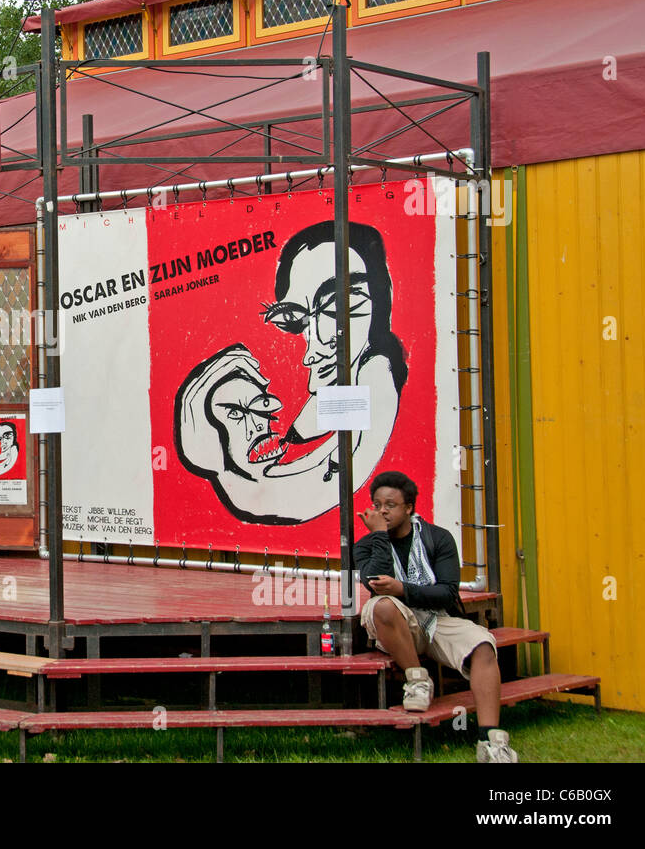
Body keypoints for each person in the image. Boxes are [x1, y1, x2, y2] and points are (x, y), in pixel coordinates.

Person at [176, 221, 405, 523]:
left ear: (380, 305)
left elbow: (318, 481)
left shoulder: (375, 375)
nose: (316, 346)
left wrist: (218, 466)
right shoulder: (340, 402)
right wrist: (215, 461)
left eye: (343, 306)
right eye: (295, 320)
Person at [354, 470, 517, 763]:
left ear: (409, 507)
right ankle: (417, 680)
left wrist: (404, 588)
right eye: (377, 504)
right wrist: (378, 536)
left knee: (482, 644)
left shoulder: (437, 538)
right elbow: (374, 583)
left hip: (437, 617)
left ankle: (491, 741)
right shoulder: (367, 544)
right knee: (383, 605)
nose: (382, 510)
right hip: (395, 622)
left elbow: (446, 593)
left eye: (390, 504)